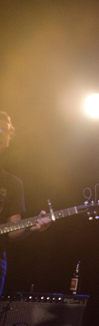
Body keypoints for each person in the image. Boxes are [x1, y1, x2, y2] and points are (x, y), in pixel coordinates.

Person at [0, 111, 52, 294]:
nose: (1, 134)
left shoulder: (12, 183)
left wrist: (31, 227)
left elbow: (13, 231)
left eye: (6, 131)